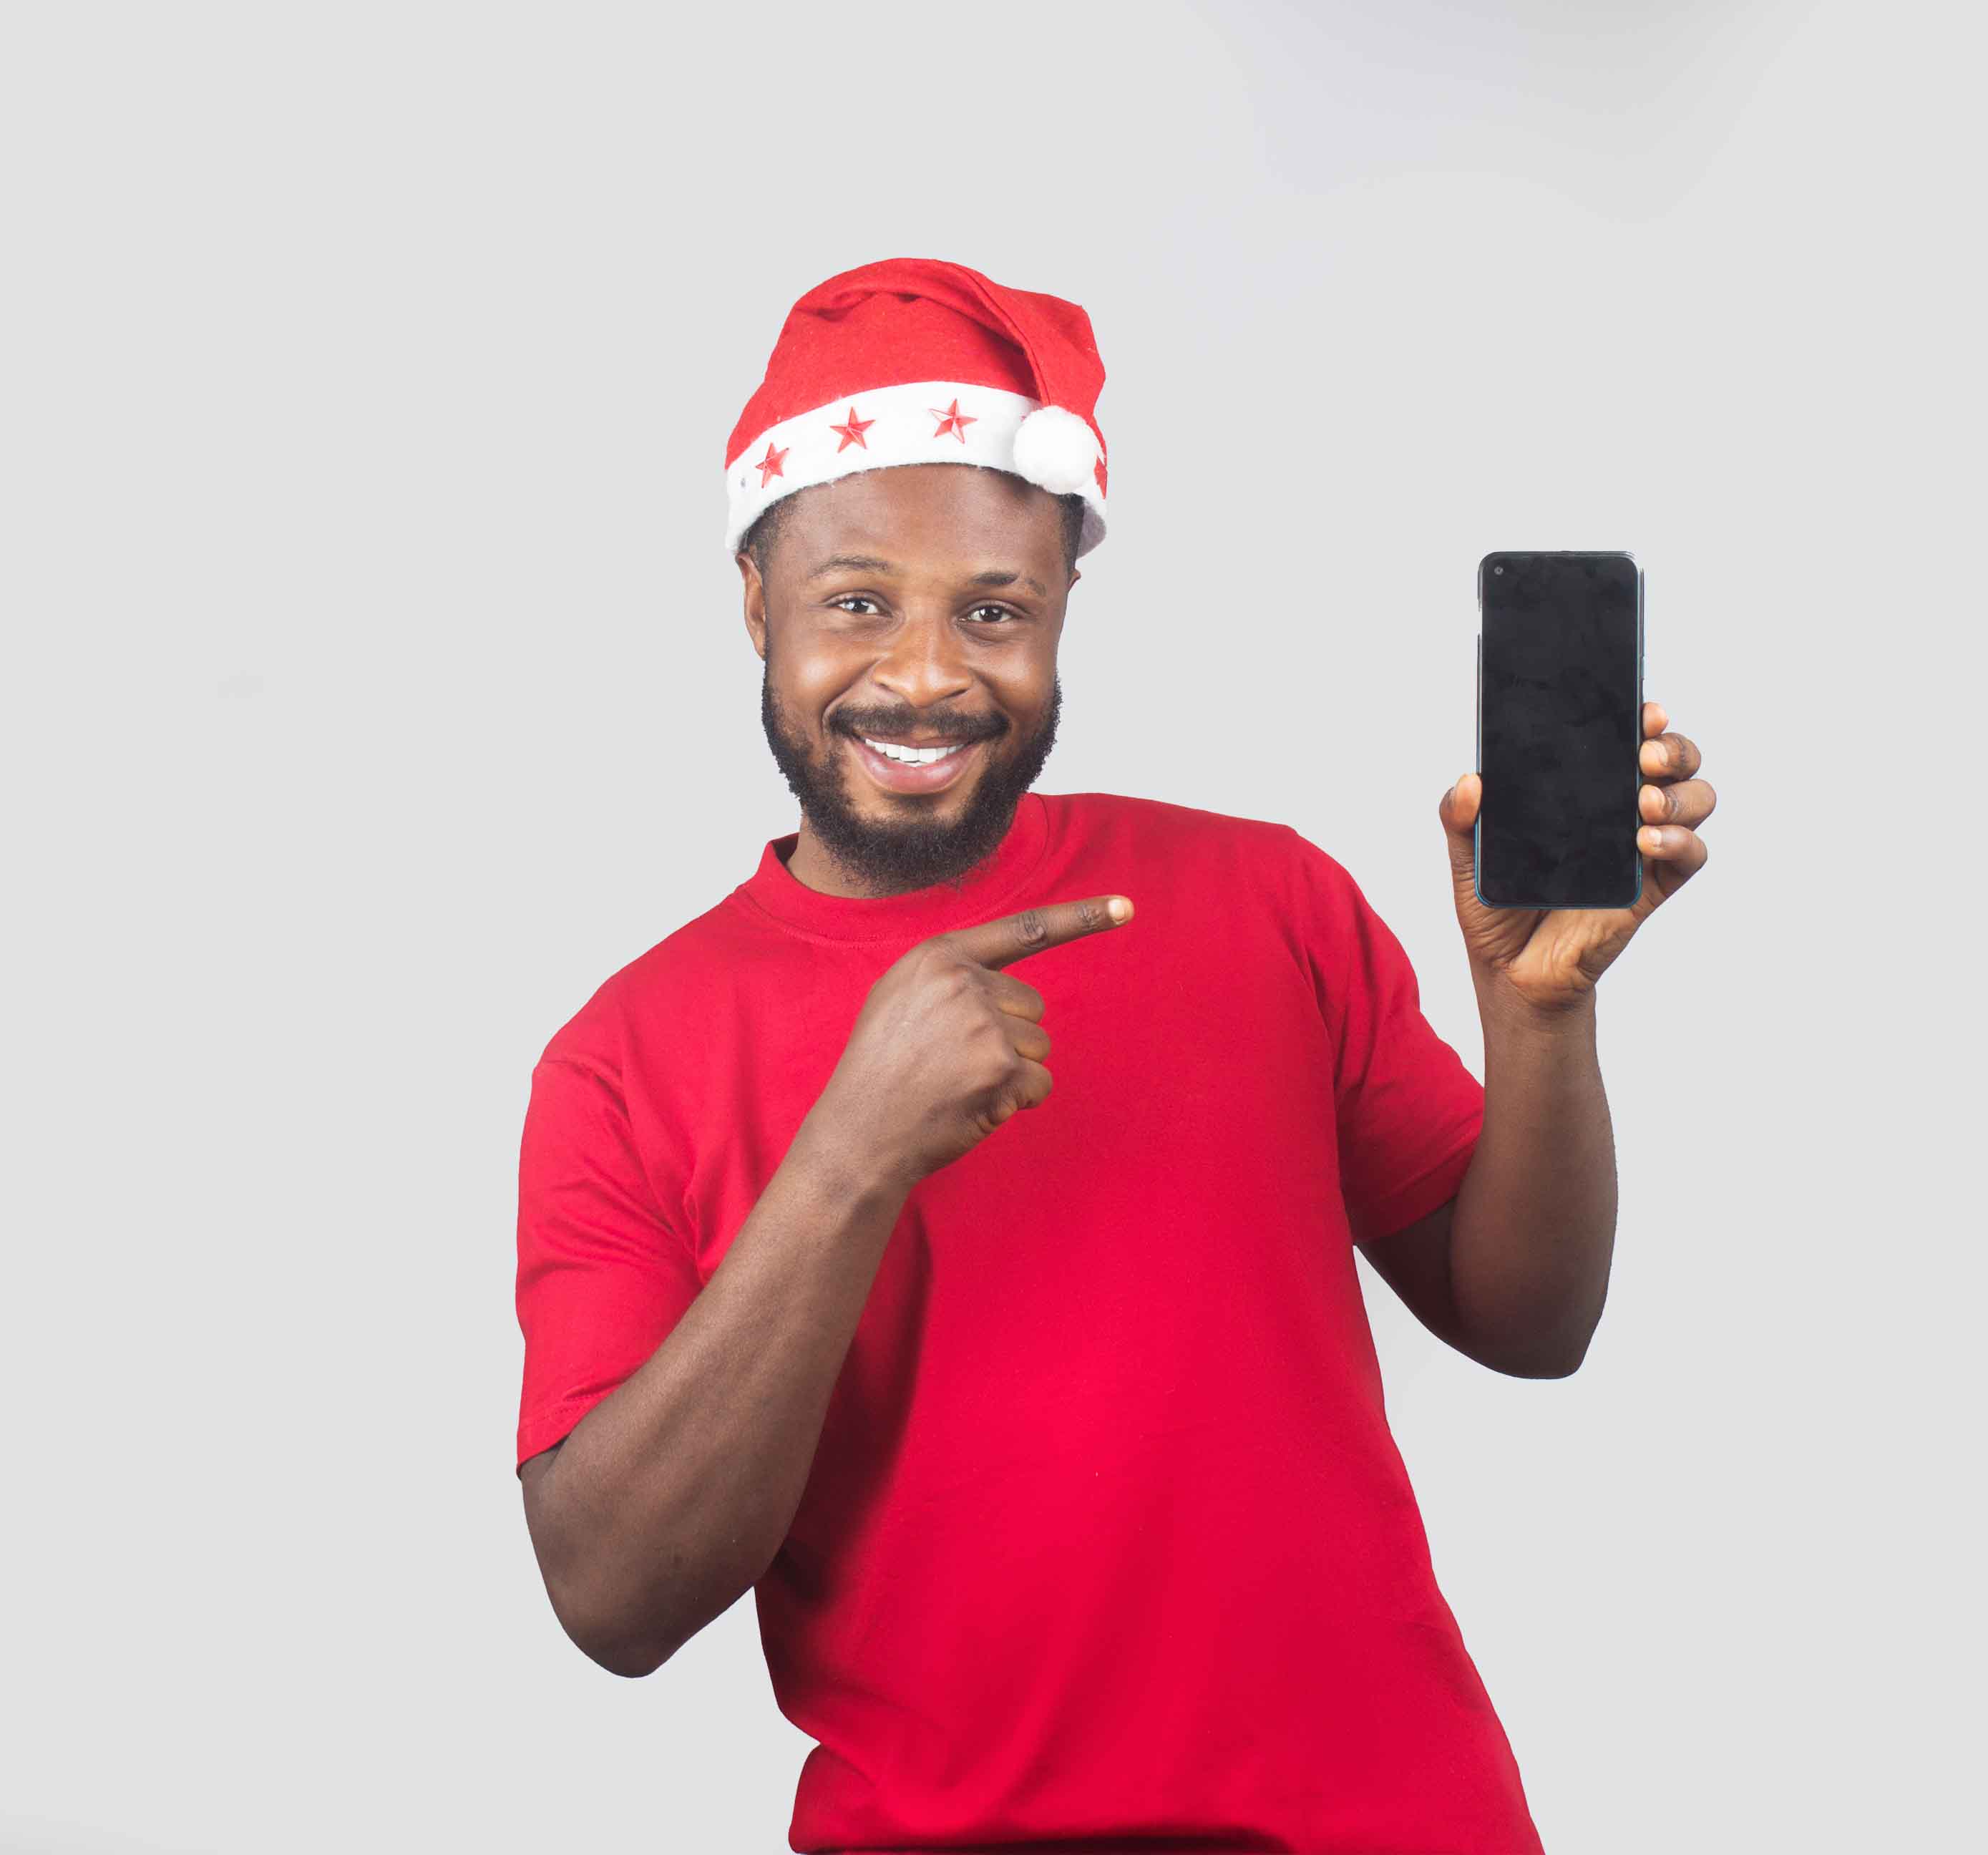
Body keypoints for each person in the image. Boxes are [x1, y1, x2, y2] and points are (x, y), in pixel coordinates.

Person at [512, 256, 1715, 1855]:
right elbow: (614, 1597)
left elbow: (1530, 1321)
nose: (928, 676)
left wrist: (1541, 1022)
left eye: (994, 611)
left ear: (1066, 604)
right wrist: (851, 1157)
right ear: (755, 599)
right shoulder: (619, 1061)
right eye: (857, 599)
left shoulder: (1260, 895)